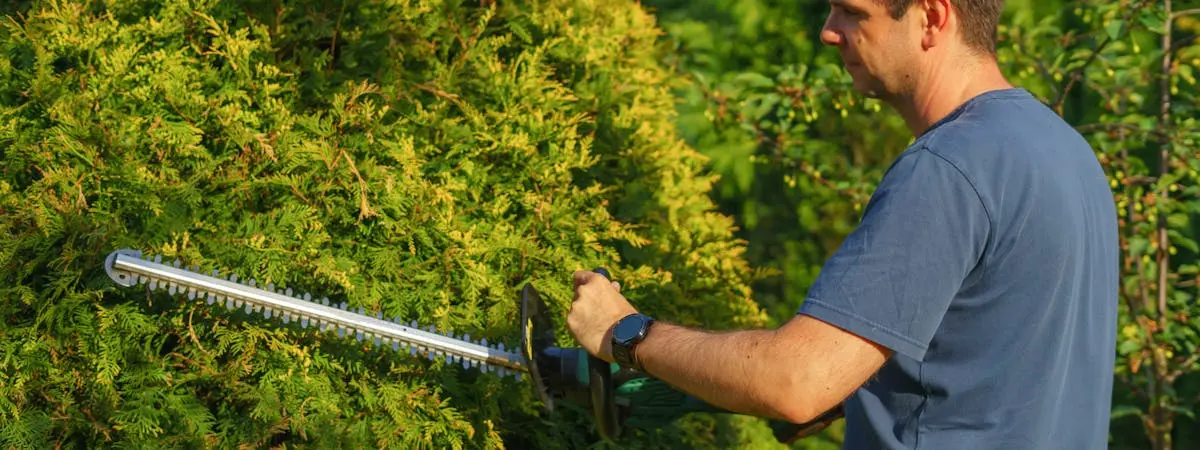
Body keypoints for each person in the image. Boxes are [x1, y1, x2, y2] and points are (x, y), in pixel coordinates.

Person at [567, 0, 1119, 448]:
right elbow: (1000, 356)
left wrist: (626, 334)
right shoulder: (1065, 151)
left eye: (853, 12)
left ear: (931, 17)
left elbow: (795, 383)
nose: (830, 33)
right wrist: (852, 391)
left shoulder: (948, 168)